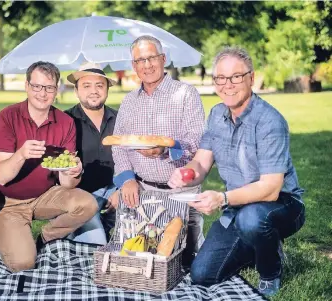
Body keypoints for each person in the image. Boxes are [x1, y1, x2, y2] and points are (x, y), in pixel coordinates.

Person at [168, 47, 305, 297]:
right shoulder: (217, 114)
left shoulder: (270, 122)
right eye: (220, 78)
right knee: (202, 275)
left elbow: (271, 188)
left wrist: (222, 198)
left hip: (282, 205)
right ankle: (258, 245)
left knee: (252, 220)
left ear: (251, 78)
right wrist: (185, 173)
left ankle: (270, 270)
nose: (227, 85)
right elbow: (201, 162)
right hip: (237, 207)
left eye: (236, 77)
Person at [0, 61, 98, 272]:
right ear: (27, 86)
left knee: (88, 204)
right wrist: (21, 154)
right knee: (23, 263)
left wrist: (74, 170)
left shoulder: (65, 122)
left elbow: (67, 184)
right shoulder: (8, 117)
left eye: (49, 87)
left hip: (45, 195)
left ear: (56, 90)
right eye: (37, 86)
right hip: (10, 202)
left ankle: (46, 237)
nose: (42, 93)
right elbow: (1, 177)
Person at [112, 35, 206, 266]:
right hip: (141, 191)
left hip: (181, 193)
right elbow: (119, 144)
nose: (147, 65)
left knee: (188, 261)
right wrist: (126, 180)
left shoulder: (186, 94)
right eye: (140, 60)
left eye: (151, 58)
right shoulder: (129, 101)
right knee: (138, 257)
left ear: (163, 59)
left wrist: (165, 151)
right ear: (134, 66)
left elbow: (197, 143)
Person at [65, 62, 119, 245]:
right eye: (86, 86)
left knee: (136, 240)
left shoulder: (120, 119)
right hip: (81, 195)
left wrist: (121, 189)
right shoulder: (65, 121)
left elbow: (133, 159)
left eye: (99, 85)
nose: (93, 91)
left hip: (116, 190)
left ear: (107, 88)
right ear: (76, 90)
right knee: (96, 246)